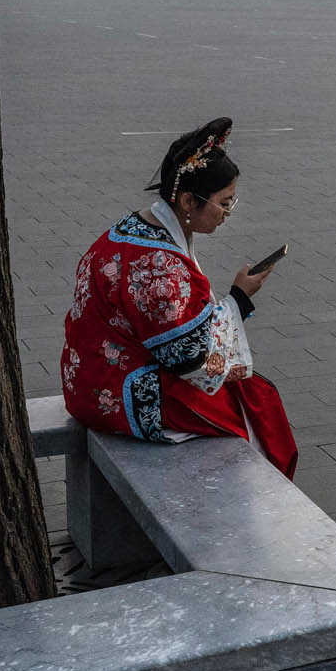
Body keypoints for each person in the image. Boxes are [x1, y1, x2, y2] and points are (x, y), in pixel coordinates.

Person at [60, 118, 297, 476]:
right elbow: (190, 361)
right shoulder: (163, 268)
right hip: (120, 393)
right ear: (188, 200)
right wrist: (239, 301)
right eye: (224, 203)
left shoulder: (129, 230)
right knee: (256, 407)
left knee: (249, 390)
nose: (227, 215)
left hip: (87, 377)